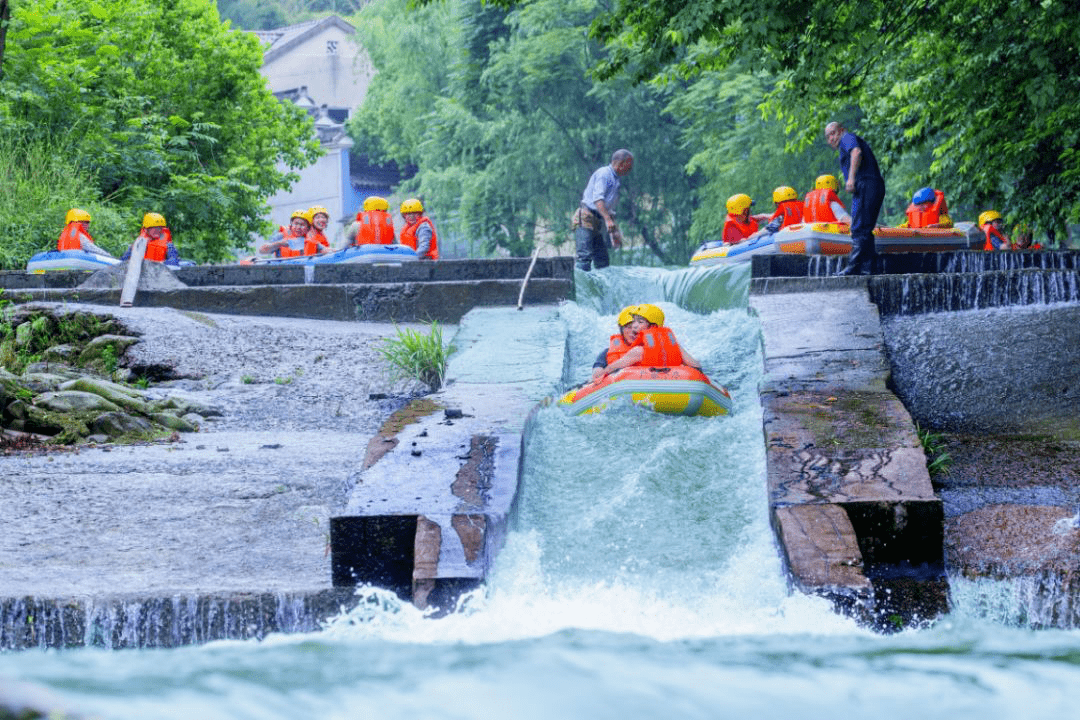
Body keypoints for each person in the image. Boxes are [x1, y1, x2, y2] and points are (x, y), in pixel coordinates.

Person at [825, 121, 886, 275]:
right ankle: (868, 269)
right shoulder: (845, 143)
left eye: (833, 133)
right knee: (864, 228)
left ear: (842, 130)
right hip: (871, 185)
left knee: (858, 227)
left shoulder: (847, 138)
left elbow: (856, 152)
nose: (831, 138)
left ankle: (853, 267)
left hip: (866, 184)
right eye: (828, 136)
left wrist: (851, 179)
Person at [597, 304, 702, 376]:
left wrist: (592, 381)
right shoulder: (676, 347)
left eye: (640, 322)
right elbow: (696, 366)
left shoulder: (638, 351)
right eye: (634, 322)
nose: (634, 326)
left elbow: (610, 369)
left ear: (653, 326)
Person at [573, 149, 634, 270]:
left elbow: (607, 208)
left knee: (602, 261)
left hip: (596, 221)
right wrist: (608, 220)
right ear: (621, 163)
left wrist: (613, 230)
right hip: (586, 217)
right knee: (584, 257)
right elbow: (598, 200)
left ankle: (599, 288)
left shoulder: (616, 179)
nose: (630, 169)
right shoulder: (604, 174)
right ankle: (576, 287)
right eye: (629, 165)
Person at [591, 305, 639, 380]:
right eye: (628, 327)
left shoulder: (650, 350)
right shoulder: (606, 354)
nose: (633, 332)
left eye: (636, 328)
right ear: (621, 329)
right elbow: (597, 373)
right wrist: (599, 371)